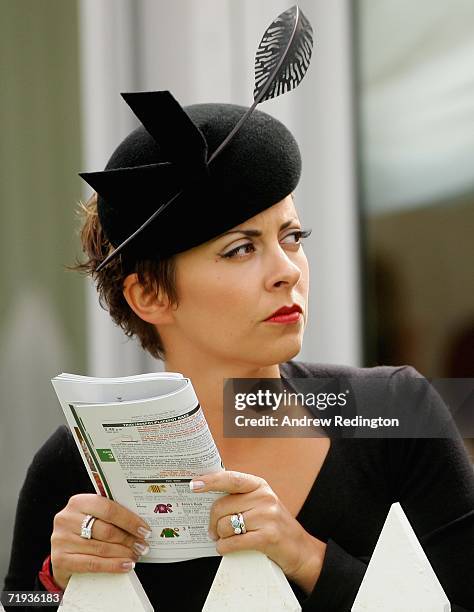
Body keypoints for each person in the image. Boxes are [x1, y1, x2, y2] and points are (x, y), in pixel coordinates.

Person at [3, 91, 474, 612]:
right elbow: (18, 601)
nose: (288, 271)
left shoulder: (395, 411)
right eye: (241, 248)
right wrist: (55, 582)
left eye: (292, 237)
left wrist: (307, 557)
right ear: (151, 296)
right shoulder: (75, 457)